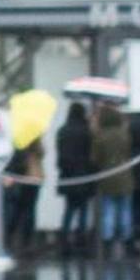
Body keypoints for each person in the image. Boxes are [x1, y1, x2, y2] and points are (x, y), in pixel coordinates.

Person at [91, 103, 133, 252]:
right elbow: (128, 152)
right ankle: (127, 238)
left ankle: (107, 240)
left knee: (108, 209)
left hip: (107, 175)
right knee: (125, 208)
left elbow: (95, 158)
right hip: (124, 174)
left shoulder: (100, 135)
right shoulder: (124, 134)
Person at [55, 101, 94, 253]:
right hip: (84, 174)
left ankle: (64, 239)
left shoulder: (62, 130)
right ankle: (81, 240)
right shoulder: (86, 131)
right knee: (83, 209)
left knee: (69, 209)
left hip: (68, 175)